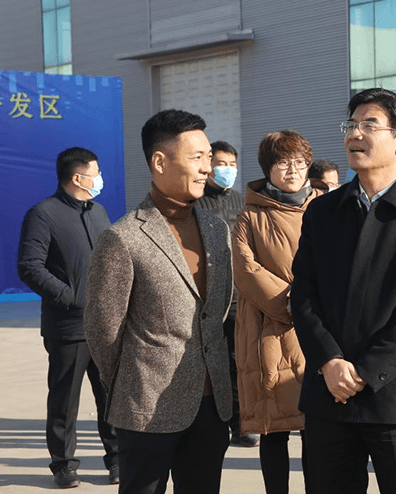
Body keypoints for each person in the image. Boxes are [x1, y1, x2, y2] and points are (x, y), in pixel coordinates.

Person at [291, 88, 396, 493]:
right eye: (350, 125)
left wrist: (366, 371)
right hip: (329, 396)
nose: (354, 134)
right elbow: (304, 295)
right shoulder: (323, 211)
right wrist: (329, 360)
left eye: (369, 125)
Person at [84, 109, 234, 494]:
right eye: (196, 157)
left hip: (211, 406)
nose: (207, 168)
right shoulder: (124, 238)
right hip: (147, 409)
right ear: (160, 162)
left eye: (208, 157)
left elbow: (218, 314)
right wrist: (134, 385)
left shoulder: (216, 230)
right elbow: (103, 331)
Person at [17, 147, 118, 488]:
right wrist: (70, 297)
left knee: (111, 397)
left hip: (106, 325)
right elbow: (30, 266)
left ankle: (117, 458)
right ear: (78, 177)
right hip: (69, 327)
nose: (100, 178)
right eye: (96, 173)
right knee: (65, 400)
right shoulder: (43, 214)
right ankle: (64, 464)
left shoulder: (98, 212)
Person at [234, 130, 326, 493]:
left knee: (317, 427)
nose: (293, 170)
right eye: (284, 162)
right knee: (275, 427)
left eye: (300, 162)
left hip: (321, 325)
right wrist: (293, 302)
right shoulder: (250, 215)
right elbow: (245, 269)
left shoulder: (327, 207)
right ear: (267, 168)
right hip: (269, 326)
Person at [195, 141, 257, 447]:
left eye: (232, 164)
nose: (228, 170)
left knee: (237, 361)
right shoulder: (194, 202)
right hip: (206, 297)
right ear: (208, 166)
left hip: (238, 296)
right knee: (206, 362)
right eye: (221, 164)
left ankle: (240, 424)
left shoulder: (240, 200)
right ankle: (207, 421)